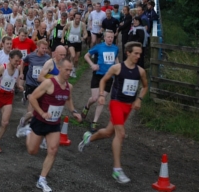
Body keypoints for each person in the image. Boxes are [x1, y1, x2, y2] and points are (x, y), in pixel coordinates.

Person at [78, 42, 148, 184]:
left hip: (128, 106)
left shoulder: (140, 71)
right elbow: (103, 80)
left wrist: (139, 99)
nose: (138, 56)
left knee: (109, 132)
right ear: (128, 53)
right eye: (136, 53)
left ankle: (88, 139)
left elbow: (145, 86)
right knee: (120, 134)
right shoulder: (117, 68)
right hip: (116, 103)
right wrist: (102, 95)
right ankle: (117, 170)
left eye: (140, 54)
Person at [16, 59, 82, 192]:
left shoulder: (69, 86)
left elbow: (68, 98)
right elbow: (33, 97)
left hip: (55, 123)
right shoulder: (48, 83)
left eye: (71, 70)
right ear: (59, 68)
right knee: (32, 151)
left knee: (53, 150)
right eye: (66, 70)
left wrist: (74, 111)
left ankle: (42, 179)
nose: (69, 73)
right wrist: (41, 112)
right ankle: (28, 131)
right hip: (40, 121)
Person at [81, 31, 119, 132]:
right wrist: (92, 65)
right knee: (94, 98)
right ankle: (87, 106)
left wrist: (117, 69)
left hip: (109, 77)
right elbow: (86, 56)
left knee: (101, 100)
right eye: (108, 37)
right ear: (104, 38)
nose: (110, 39)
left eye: (112, 37)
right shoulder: (99, 47)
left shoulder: (115, 48)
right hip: (98, 75)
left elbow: (116, 60)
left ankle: (94, 122)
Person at [17, 40, 51, 130]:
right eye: (43, 48)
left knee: (38, 104)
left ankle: (25, 118)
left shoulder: (47, 58)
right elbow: (23, 62)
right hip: (31, 83)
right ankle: (28, 120)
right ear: (38, 47)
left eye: (46, 48)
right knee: (32, 103)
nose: (44, 50)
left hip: (41, 84)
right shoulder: (31, 56)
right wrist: (21, 73)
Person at [60, 12, 88, 78]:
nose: (78, 20)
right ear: (74, 18)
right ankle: (70, 68)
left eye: (79, 18)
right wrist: (62, 38)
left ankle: (73, 71)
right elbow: (64, 29)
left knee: (76, 59)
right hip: (70, 42)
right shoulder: (70, 23)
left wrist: (84, 37)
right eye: (76, 18)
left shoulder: (82, 24)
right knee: (73, 55)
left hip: (78, 42)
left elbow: (85, 33)